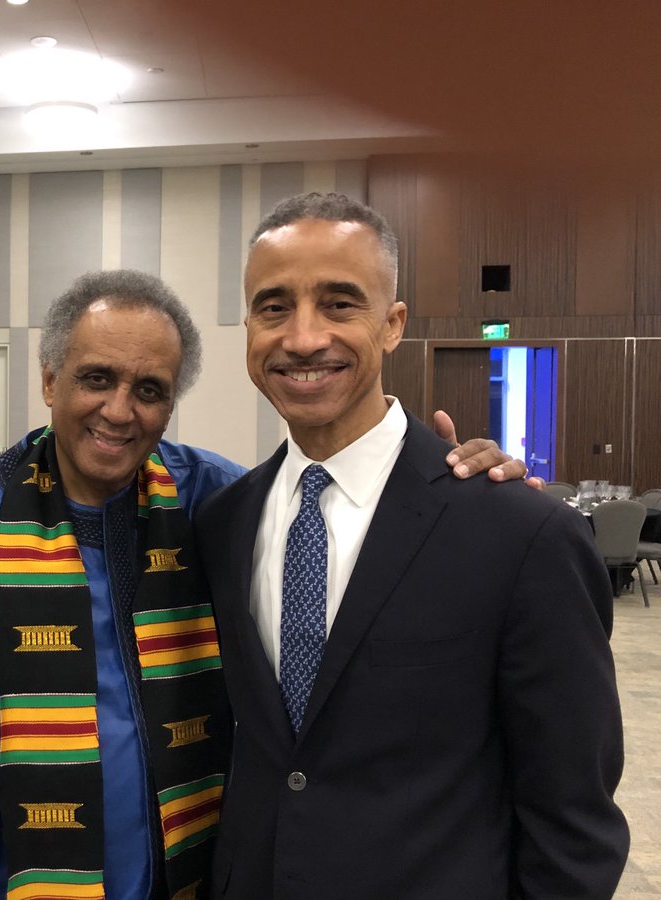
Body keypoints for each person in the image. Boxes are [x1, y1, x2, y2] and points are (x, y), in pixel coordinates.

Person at [0, 269, 529, 899]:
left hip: (204, 870)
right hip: (29, 876)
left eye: (150, 389)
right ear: (48, 379)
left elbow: (356, 541)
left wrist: (448, 486)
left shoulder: (217, 497)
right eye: (97, 378)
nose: (120, 411)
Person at [194, 193, 629, 898]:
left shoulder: (522, 535)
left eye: (340, 304)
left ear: (393, 324)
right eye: (274, 307)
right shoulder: (223, 522)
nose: (303, 338)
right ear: (248, 327)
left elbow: (573, 821)